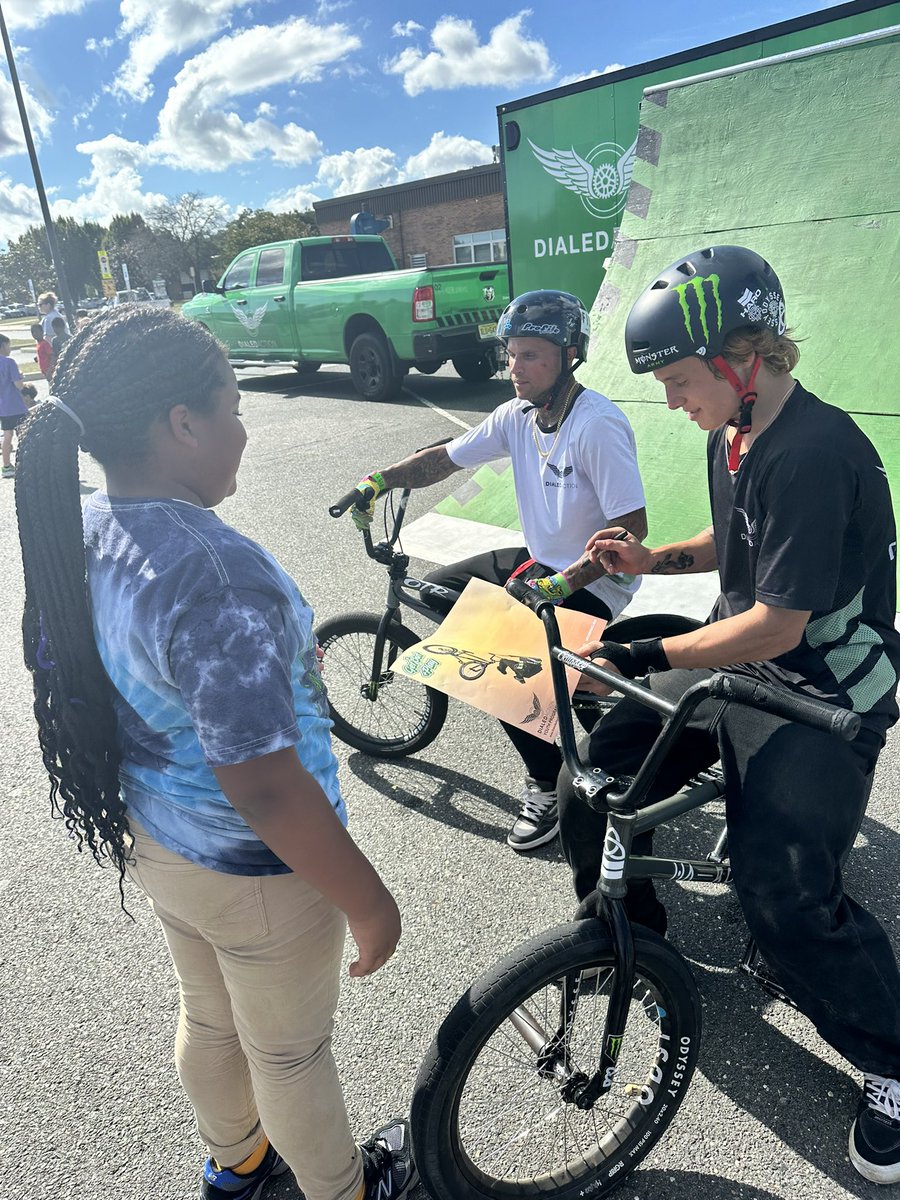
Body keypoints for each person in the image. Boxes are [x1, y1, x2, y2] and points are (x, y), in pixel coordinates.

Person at [13, 307, 417, 1200]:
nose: (244, 427)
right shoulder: (213, 570)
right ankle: (344, 1190)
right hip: (257, 867)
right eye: (233, 407)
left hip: (160, 838)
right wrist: (370, 901)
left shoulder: (88, 523)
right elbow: (265, 787)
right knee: (290, 1054)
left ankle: (237, 1164)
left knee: (209, 1017)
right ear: (182, 424)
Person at [556, 245, 900, 1184]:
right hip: (741, 657)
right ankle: (633, 939)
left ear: (743, 357)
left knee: (780, 892)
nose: (671, 401)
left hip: (819, 688)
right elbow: (735, 533)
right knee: (595, 778)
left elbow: (779, 624)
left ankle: (891, 1063)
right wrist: (652, 560)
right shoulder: (736, 432)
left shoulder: (818, 452)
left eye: (678, 380)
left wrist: (645, 653)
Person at [346, 290, 647, 851]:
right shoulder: (517, 416)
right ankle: (558, 690)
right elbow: (443, 458)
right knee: (439, 590)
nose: (515, 367)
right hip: (541, 562)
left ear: (570, 355)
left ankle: (547, 784)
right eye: (511, 354)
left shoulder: (597, 424)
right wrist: (378, 480)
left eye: (531, 355)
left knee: (497, 662)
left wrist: (562, 584)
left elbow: (631, 529)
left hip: (597, 578)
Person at [0, 332, 29, 478]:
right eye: (8, 345)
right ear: (3, 345)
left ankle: (6, 466)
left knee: (7, 435)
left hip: (3, 407)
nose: (10, 348)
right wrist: (21, 379)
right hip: (15, 405)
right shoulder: (9, 362)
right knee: (24, 434)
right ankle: (26, 463)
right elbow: (18, 385)